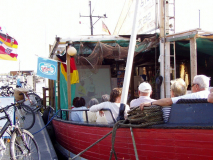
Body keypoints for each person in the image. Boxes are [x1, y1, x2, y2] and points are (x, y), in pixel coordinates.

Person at [140, 75, 211, 110]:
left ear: (196, 86)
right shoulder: (209, 95)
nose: (191, 87)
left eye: (192, 85)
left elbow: (168, 101)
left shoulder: (195, 96)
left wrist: (151, 103)